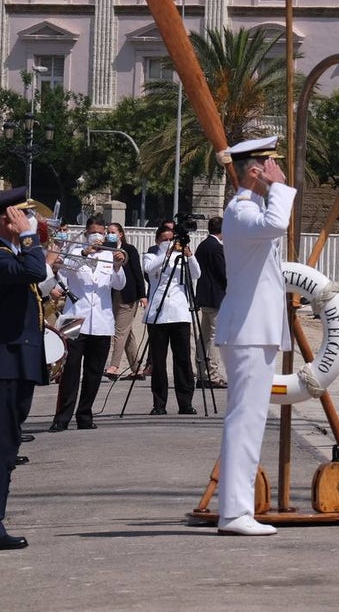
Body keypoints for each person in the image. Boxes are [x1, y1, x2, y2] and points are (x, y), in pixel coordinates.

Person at [214, 135, 296, 537]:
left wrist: (275, 190)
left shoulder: (252, 209)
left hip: (255, 329)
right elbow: (278, 223)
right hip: (247, 331)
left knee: (250, 420)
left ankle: (237, 509)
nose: (276, 171)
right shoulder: (241, 211)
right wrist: (280, 186)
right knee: (244, 421)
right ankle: (233, 512)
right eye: (270, 165)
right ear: (254, 170)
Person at [0, 187, 49, 551]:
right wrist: (31, 236)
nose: (27, 220)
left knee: (5, 448)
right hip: (4, 362)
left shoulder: (8, 252)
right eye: (20, 214)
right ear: (6, 220)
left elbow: (35, 278)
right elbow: (34, 268)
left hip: (16, 361)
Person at [49, 218, 125, 432]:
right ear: (86, 233)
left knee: (93, 372)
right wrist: (84, 254)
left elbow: (119, 284)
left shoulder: (109, 256)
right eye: (93, 232)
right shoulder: (75, 250)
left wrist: (118, 266)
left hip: (101, 322)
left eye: (100, 232)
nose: (97, 236)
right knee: (69, 371)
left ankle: (85, 415)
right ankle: (62, 417)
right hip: (75, 319)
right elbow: (63, 273)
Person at [142, 225, 201, 415]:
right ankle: (159, 403)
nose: (170, 242)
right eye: (166, 239)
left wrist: (189, 255)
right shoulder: (152, 256)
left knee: (183, 359)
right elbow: (149, 269)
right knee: (158, 361)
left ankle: (185, 402)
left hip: (179, 312)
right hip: (158, 314)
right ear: (158, 240)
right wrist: (167, 252)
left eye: (172, 239)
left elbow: (196, 274)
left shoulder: (182, 257)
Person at [103, 222, 146, 380]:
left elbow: (137, 272)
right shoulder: (106, 249)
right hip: (113, 295)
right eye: (108, 232)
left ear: (120, 234)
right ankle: (137, 369)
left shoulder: (129, 249)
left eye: (113, 232)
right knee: (127, 333)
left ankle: (114, 366)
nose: (109, 234)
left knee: (119, 332)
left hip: (128, 296)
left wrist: (142, 295)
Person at [193, 216, 227, 388]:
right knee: (214, 337)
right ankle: (213, 375)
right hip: (216, 298)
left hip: (204, 296)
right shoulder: (217, 248)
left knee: (204, 336)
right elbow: (224, 274)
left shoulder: (203, 245)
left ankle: (200, 372)